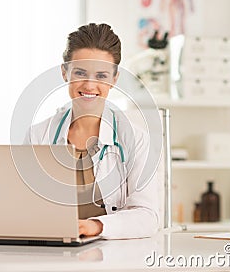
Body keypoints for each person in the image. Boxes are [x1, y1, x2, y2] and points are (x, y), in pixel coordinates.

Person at [24, 23, 161, 239]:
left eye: (101, 76)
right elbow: (22, 206)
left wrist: (95, 226)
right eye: (80, 72)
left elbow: (147, 216)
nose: (90, 85)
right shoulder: (38, 135)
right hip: (49, 250)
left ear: (114, 79)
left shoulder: (136, 140)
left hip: (112, 256)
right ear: (64, 73)